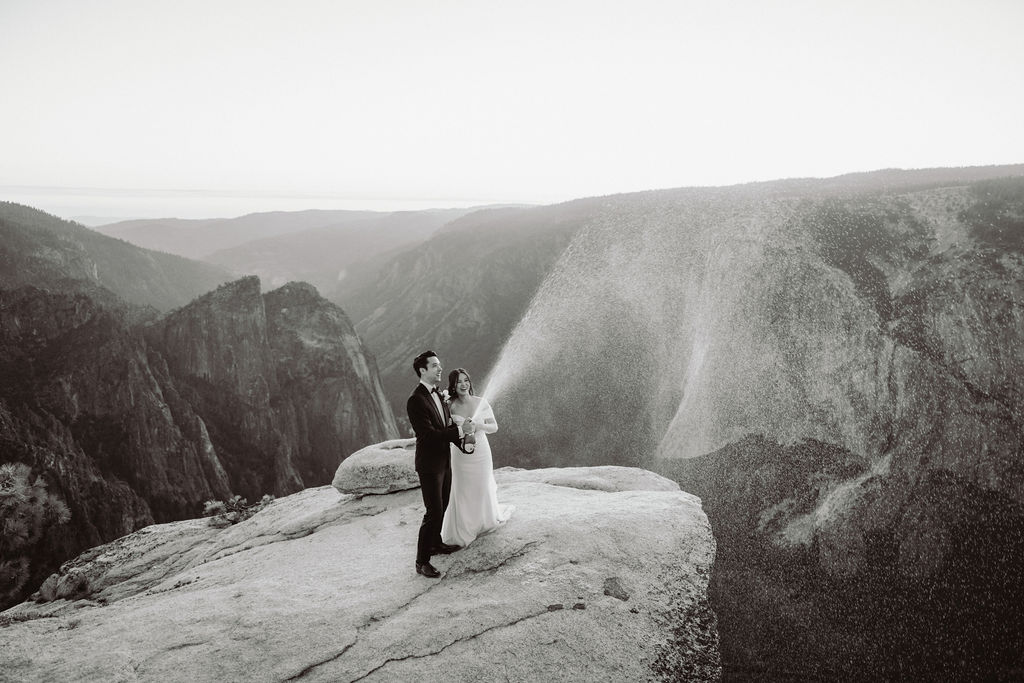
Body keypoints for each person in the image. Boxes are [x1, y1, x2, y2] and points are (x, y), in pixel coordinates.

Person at [407, 350, 476, 578]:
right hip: (429, 465)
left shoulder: (439, 395)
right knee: (433, 512)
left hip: (445, 461)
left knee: (443, 504)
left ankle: (435, 543)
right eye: (435, 366)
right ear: (423, 370)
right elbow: (427, 435)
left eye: (439, 365)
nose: (440, 369)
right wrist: (459, 430)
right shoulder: (415, 400)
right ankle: (421, 561)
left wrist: (464, 443)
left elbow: (445, 428)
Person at [441, 368, 514, 548]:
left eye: (466, 380)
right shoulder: (449, 406)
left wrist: (478, 425)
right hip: (459, 454)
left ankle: (484, 521)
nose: (463, 384)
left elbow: (494, 427)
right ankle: (464, 528)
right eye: (459, 382)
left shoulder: (481, 402)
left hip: (481, 451)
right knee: (462, 488)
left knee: (482, 485)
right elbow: (445, 431)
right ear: (453, 386)